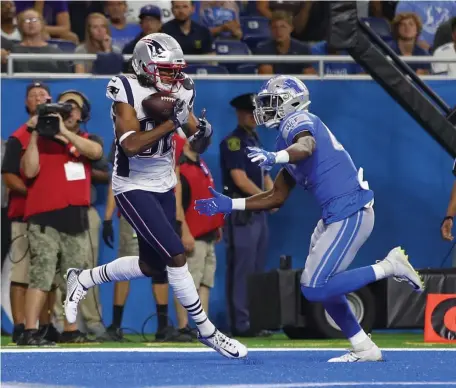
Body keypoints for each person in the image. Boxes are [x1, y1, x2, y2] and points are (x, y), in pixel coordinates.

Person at [195, 75, 424, 362]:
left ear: (291, 102)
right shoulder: (284, 138)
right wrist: (232, 204)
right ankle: (364, 347)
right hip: (336, 215)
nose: (264, 108)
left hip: (349, 210)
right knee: (322, 287)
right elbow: (275, 196)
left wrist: (276, 157)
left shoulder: (298, 122)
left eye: (271, 102)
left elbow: (306, 146)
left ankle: (390, 266)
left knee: (314, 287)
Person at [64, 32, 247, 359]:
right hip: (131, 185)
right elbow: (129, 145)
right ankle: (207, 331)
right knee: (177, 255)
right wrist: (168, 125)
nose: (173, 77)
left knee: (152, 266)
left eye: (176, 70)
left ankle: (83, 278)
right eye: (165, 70)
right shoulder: (125, 88)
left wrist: (202, 133)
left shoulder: (182, 87)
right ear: (144, 66)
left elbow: (193, 137)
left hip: (164, 183)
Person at [219, 93, 274, 337]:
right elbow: (238, 179)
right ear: (240, 114)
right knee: (241, 269)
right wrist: (266, 197)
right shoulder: (234, 142)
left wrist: (275, 196)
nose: (255, 117)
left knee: (256, 269)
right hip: (242, 212)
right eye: (251, 113)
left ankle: (255, 320)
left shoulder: (255, 141)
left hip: (258, 212)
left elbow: (265, 175)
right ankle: (241, 324)